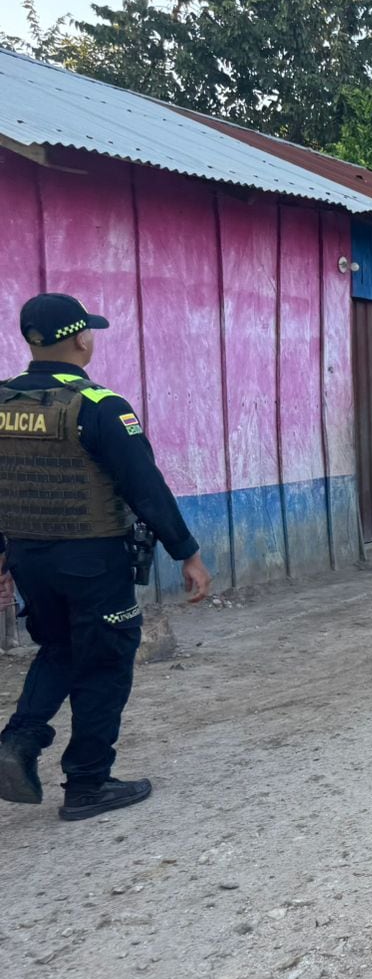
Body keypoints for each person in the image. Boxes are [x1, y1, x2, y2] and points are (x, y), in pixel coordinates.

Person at [0, 293, 212, 821]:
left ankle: (19, 741)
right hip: (92, 559)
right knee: (106, 663)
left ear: (30, 339)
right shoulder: (100, 406)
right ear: (80, 338)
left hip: (29, 556)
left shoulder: (3, 404)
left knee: (58, 650)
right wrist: (186, 552)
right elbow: (146, 487)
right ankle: (89, 783)